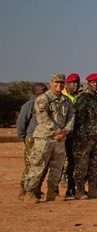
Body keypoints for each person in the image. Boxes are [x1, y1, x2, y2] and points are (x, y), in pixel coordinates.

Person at [23, 74, 75, 204]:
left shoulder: (66, 100)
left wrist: (65, 131)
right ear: (51, 83)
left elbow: (72, 115)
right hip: (44, 138)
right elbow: (44, 118)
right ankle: (29, 193)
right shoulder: (43, 99)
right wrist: (58, 131)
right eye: (57, 82)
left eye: (62, 83)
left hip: (60, 139)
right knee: (37, 166)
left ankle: (52, 192)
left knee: (57, 168)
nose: (59, 85)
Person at [17, 83, 47, 200]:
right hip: (32, 139)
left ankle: (37, 189)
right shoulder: (29, 105)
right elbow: (21, 123)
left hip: (44, 139)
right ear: (36, 92)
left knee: (42, 166)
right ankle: (23, 190)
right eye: (43, 91)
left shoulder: (46, 104)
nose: (45, 92)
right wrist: (23, 137)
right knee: (31, 166)